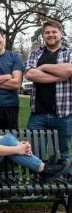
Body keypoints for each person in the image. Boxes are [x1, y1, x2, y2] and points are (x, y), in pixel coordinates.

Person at [25, 19, 72, 175]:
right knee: (34, 154)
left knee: (63, 154)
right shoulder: (35, 53)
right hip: (38, 113)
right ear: (43, 35)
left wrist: (44, 68)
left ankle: (63, 189)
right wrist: (60, 75)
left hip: (63, 115)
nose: (50, 35)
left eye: (54, 32)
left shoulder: (69, 53)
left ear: (60, 33)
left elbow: (70, 70)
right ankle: (35, 188)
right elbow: (31, 74)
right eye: (47, 32)